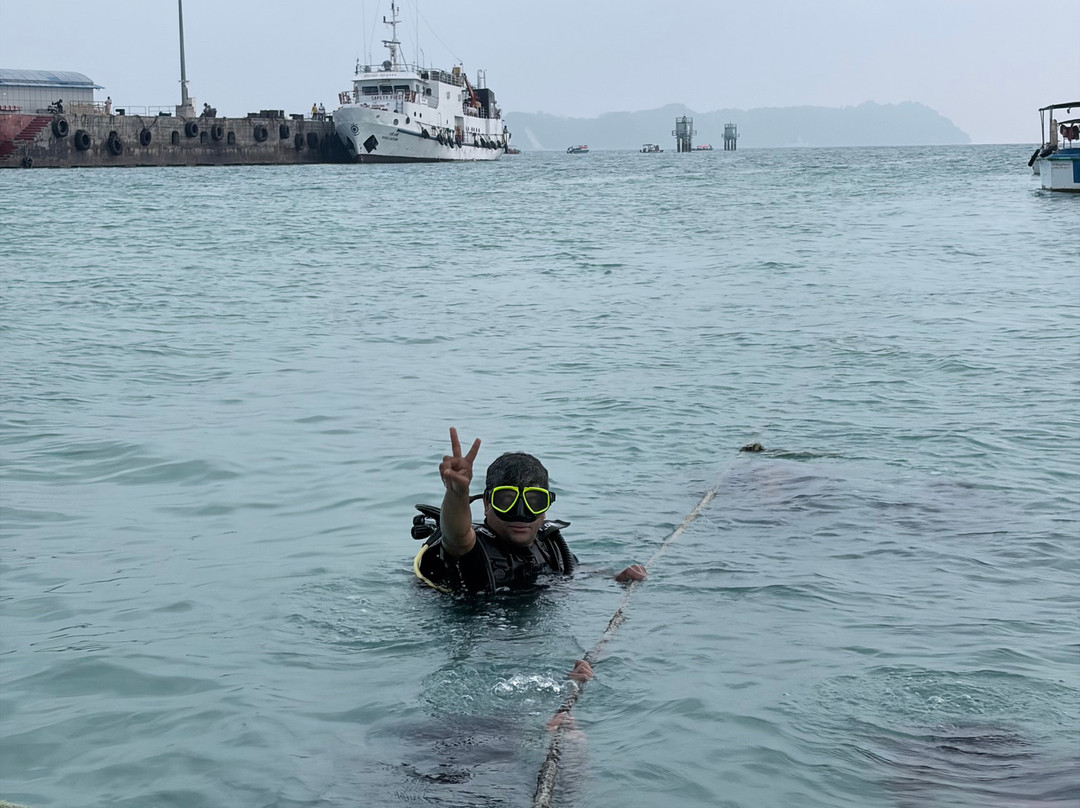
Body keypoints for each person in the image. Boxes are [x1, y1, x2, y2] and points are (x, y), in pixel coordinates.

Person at [412, 428, 647, 595]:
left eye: (534, 502)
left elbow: (574, 571)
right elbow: (456, 536)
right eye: (506, 500)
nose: (521, 514)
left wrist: (614, 577)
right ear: (486, 503)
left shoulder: (549, 544)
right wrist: (456, 494)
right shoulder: (474, 547)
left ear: (546, 508)